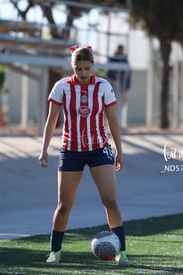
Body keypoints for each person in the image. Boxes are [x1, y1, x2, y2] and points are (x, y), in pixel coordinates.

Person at [38, 45, 130, 267]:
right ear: (72, 67)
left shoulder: (104, 86)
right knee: (64, 205)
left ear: (93, 67)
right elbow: (51, 121)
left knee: (110, 200)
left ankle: (123, 253)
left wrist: (119, 150)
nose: (83, 73)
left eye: (87, 68)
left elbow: (112, 121)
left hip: (100, 149)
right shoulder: (61, 87)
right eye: (78, 69)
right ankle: (55, 252)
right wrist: (44, 150)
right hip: (71, 151)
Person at [107, 44, 131, 129]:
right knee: (111, 107)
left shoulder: (125, 60)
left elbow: (128, 74)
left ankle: (118, 125)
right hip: (113, 86)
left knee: (120, 106)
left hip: (122, 87)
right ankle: (111, 125)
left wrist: (127, 88)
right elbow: (109, 73)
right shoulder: (113, 59)